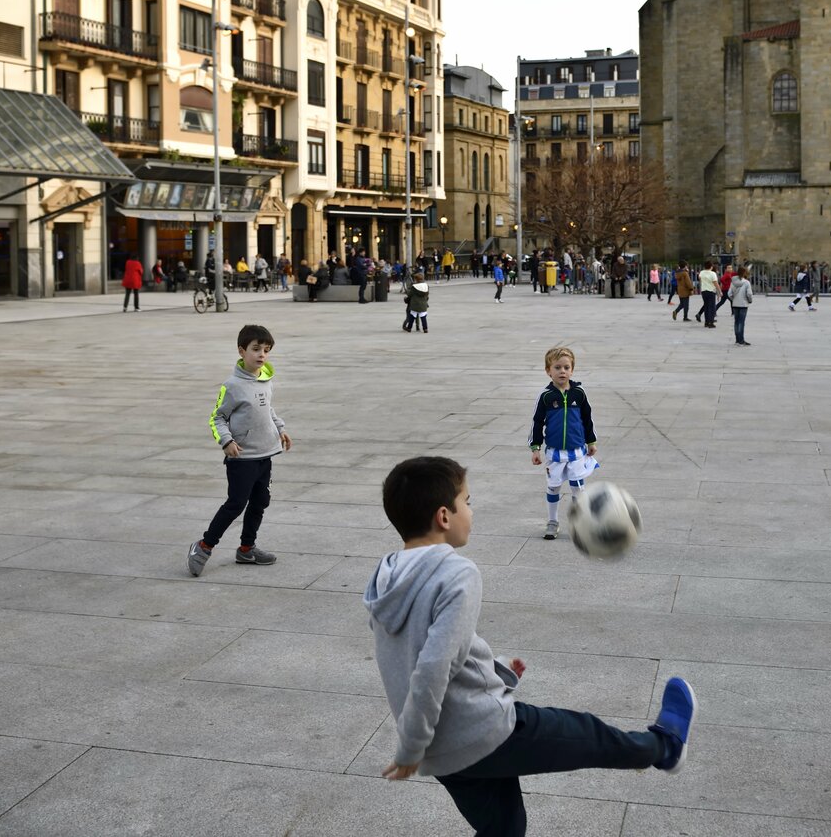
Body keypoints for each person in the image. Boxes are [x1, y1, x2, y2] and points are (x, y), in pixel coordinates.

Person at [364, 457, 697, 837]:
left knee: (503, 828)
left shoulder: (386, 576)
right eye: (467, 502)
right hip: (483, 733)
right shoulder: (456, 573)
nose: (471, 511)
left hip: (444, 756)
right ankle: (665, 748)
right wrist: (410, 746)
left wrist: (496, 668)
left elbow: (414, 652)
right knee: (590, 735)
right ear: (444, 516)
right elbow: (432, 667)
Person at [187, 324, 293, 575]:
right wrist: (226, 441)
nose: (262, 355)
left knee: (260, 501)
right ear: (241, 350)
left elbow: (268, 410)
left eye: (266, 350)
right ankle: (203, 546)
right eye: (256, 349)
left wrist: (280, 428)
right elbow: (217, 418)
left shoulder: (265, 379)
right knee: (236, 504)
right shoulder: (232, 385)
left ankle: (247, 549)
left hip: (265, 454)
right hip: (242, 457)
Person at [529, 346, 597, 540]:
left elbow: (588, 418)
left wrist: (591, 441)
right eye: (557, 367)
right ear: (548, 371)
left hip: (577, 451)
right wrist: (536, 448)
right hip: (555, 453)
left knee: (578, 487)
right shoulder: (546, 397)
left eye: (567, 367)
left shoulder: (579, 393)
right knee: (554, 486)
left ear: (572, 370)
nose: (562, 371)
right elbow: (537, 422)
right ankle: (552, 521)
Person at [728, 265, 754, 346]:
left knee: (736, 322)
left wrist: (733, 299)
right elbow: (749, 294)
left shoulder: (733, 281)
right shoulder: (746, 283)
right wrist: (750, 300)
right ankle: (741, 340)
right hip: (743, 304)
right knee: (741, 322)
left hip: (735, 304)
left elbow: (729, 293)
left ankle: (737, 340)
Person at [695, 261, 719, 327]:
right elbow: (715, 283)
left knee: (706, 306)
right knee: (711, 307)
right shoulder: (713, 273)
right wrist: (719, 291)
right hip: (711, 291)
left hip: (704, 291)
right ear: (711, 267)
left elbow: (700, 279)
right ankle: (711, 322)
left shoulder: (702, 272)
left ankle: (706, 322)